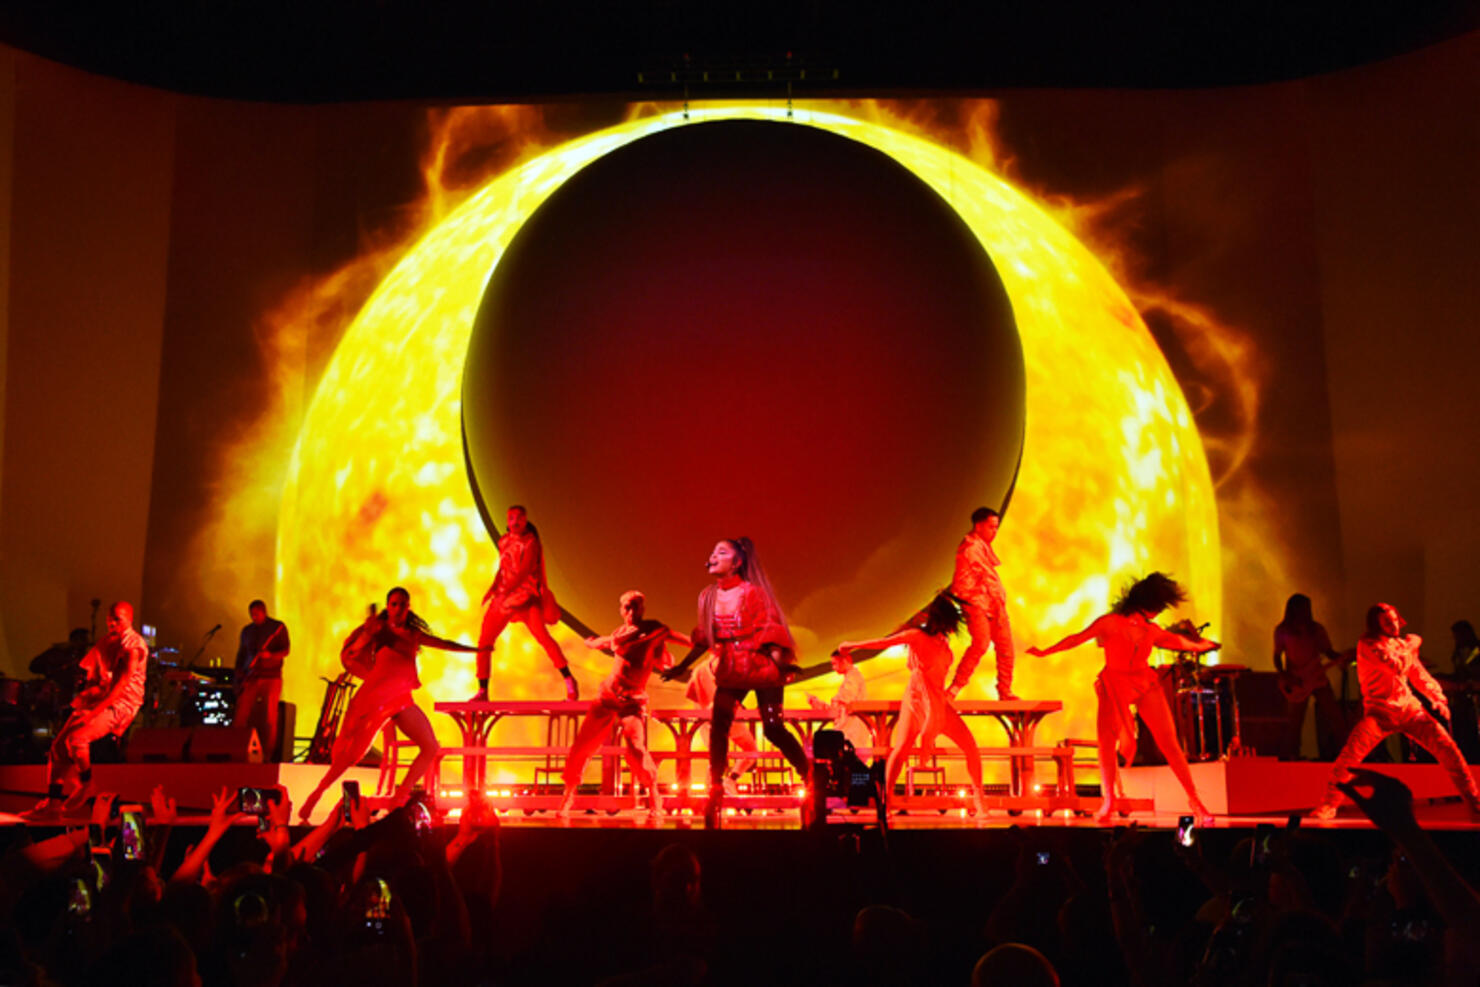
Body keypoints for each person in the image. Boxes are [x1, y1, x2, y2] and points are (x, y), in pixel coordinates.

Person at [1026, 572, 1218, 825]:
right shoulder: (1110, 623)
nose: (1157, 613)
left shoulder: (1151, 630)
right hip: (1115, 683)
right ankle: (1108, 800)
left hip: (1143, 682)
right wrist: (1045, 652)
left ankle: (1195, 800)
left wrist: (1200, 645)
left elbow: (1176, 641)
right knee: (1107, 742)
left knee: (1169, 743)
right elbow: (1077, 638)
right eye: (1157, 607)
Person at [298, 586, 481, 822]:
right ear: (388, 606)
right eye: (394, 604)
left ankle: (399, 799)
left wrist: (476, 650)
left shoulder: (413, 635)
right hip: (376, 699)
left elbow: (444, 644)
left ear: (408, 607)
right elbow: (353, 651)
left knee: (430, 747)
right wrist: (367, 633)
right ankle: (317, 792)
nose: (398, 608)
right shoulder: (380, 630)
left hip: (401, 699)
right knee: (352, 755)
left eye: (402, 604)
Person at [663, 537, 810, 827]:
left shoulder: (753, 593)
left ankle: (809, 776)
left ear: (737, 562)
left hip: (762, 664)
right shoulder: (707, 596)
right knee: (719, 724)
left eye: (722, 552)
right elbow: (705, 637)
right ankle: (716, 784)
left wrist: (781, 664)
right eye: (713, 551)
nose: (713, 556)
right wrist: (681, 665)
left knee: (773, 727)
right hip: (732, 666)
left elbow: (769, 629)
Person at [1309, 603, 1480, 819]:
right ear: (1376, 625)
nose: (1394, 625)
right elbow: (1396, 665)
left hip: (1409, 709)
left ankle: (1474, 803)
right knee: (1350, 756)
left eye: (1395, 620)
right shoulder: (1368, 645)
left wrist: (1437, 698)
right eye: (1387, 622)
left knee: (1449, 751)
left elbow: (1418, 673)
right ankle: (1329, 804)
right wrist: (1412, 646)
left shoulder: (1401, 645)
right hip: (1380, 713)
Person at [836, 593, 986, 815]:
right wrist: (852, 645)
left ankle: (979, 797)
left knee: (970, 747)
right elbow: (884, 642)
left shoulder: (943, 645)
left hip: (937, 701)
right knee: (901, 749)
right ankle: (886, 799)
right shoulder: (917, 637)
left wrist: (952, 690)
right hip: (915, 700)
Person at [556, 591, 691, 819]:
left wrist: (708, 645)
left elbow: (683, 639)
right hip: (607, 696)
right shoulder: (620, 633)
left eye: (635, 606)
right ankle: (568, 795)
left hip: (632, 701)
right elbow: (605, 641)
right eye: (627, 607)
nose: (631, 611)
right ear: (621, 610)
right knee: (582, 746)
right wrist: (591, 643)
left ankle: (653, 796)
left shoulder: (654, 630)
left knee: (636, 748)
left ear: (642, 609)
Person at [31, 601, 148, 813]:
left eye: (117, 619)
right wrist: (86, 696)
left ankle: (87, 784)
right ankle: (53, 803)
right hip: (101, 699)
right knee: (58, 748)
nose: (112, 623)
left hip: (121, 703)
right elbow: (94, 675)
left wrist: (93, 713)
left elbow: (120, 687)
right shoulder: (106, 641)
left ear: (129, 619)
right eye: (110, 619)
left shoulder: (133, 647)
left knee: (77, 739)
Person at [474, 505, 576, 701]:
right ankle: (482, 690)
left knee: (543, 638)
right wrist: (493, 588)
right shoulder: (504, 541)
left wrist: (508, 589)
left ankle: (569, 681)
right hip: (504, 598)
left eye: (519, 518)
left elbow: (524, 571)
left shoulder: (531, 543)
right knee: (484, 642)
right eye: (511, 518)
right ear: (507, 521)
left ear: (525, 520)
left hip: (525, 598)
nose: (515, 521)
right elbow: (503, 568)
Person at [948, 506, 1018, 701]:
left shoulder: (982, 547)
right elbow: (986, 577)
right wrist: (998, 602)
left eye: (996, 527)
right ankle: (954, 689)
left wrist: (999, 604)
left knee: (1006, 647)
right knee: (981, 643)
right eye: (991, 527)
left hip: (992, 603)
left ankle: (1005, 691)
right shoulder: (971, 548)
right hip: (975, 602)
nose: (994, 531)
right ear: (978, 526)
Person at [1272, 593, 1344, 760]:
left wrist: (1343, 658)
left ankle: (1345, 752)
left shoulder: (1316, 630)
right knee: (1295, 722)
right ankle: (1292, 756)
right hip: (1296, 680)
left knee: (1335, 716)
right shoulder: (1283, 630)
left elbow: (1328, 651)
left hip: (1318, 678)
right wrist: (1285, 675)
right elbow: (1277, 655)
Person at [685, 653, 761, 797]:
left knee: (717, 756)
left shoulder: (699, 669)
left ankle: (713, 788)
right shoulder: (730, 664)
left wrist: (702, 713)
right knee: (750, 751)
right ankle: (728, 781)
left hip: (707, 719)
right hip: (726, 717)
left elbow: (692, 695)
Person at [234, 599, 291, 760]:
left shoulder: (277, 628)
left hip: (271, 677)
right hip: (251, 676)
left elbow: (286, 650)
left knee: (269, 717)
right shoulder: (247, 631)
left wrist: (270, 655)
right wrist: (238, 671)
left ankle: (267, 754)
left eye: (256, 614)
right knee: (241, 713)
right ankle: (237, 749)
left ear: (264, 612)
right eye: (252, 614)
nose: (254, 617)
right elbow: (241, 653)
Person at [807, 650, 872, 754]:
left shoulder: (854, 677)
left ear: (844, 661)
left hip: (852, 730)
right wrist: (818, 704)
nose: (833, 668)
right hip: (847, 729)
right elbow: (838, 707)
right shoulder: (850, 678)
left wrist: (822, 704)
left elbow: (845, 701)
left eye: (834, 664)